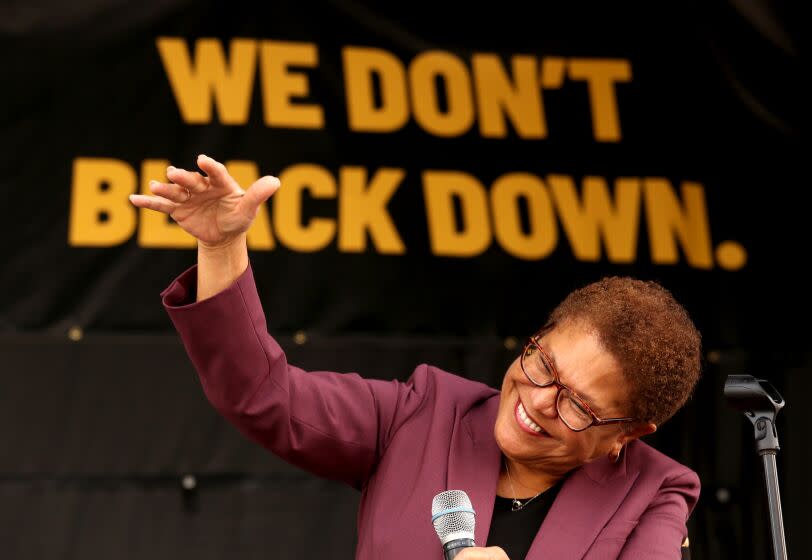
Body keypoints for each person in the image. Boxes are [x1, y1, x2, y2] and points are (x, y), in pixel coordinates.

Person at [130, 155, 702, 560]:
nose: (537, 401)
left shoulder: (655, 492)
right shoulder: (423, 414)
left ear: (627, 433)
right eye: (543, 365)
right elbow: (261, 394)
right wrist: (222, 245)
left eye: (576, 404)